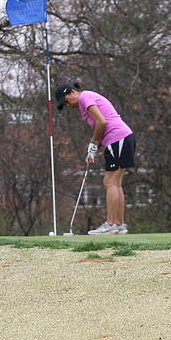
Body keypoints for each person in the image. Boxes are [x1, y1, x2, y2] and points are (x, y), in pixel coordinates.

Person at [55, 82, 135, 235]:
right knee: (115, 183)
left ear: (72, 92)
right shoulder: (86, 99)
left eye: (65, 101)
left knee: (110, 182)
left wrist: (93, 143)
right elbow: (101, 125)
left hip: (117, 139)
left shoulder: (85, 97)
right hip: (122, 138)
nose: (67, 105)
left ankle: (111, 224)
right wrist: (93, 149)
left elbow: (102, 122)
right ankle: (119, 225)